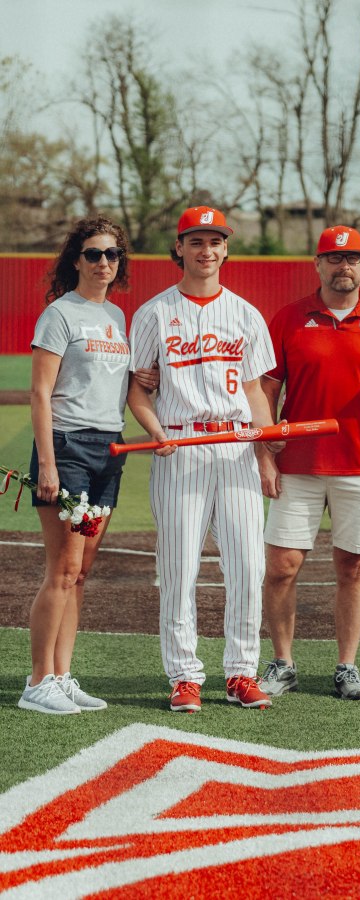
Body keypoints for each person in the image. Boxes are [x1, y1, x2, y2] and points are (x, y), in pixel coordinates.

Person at [256, 226, 360, 700]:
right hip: (298, 467)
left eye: (352, 258)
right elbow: (266, 392)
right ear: (318, 263)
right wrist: (265, 453)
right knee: (282, 566)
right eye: (333, 258)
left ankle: (347, 666)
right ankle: (282, 662)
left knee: (353, 567)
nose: (342, 267)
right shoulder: (288, 319)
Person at [126, 206, 277, 713]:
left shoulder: (245, 314)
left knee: (248, 565)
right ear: (180, 248)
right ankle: (185, 675)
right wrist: (156, 431)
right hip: (180, 447)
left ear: (226, 249)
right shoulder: (153, 313)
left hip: (235, 447)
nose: (206, 251)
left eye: (215, 241)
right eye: (196, 241)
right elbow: (138, 390)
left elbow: (255, 391)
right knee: (179, 566)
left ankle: (241, 673)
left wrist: (265, 452)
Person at [19, 218, 155, 714]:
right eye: (94, 254)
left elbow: (122, 389)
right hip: (67, 448)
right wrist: (49, 467)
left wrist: (150, 406)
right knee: (63, 569)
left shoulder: (118, 318)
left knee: (81, 574)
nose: (104, 263)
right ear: (76, 259)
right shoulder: (60, 315)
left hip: (108, 452)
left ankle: (62, 674)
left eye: (113, 255)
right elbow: (39, 393)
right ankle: (36, 683)